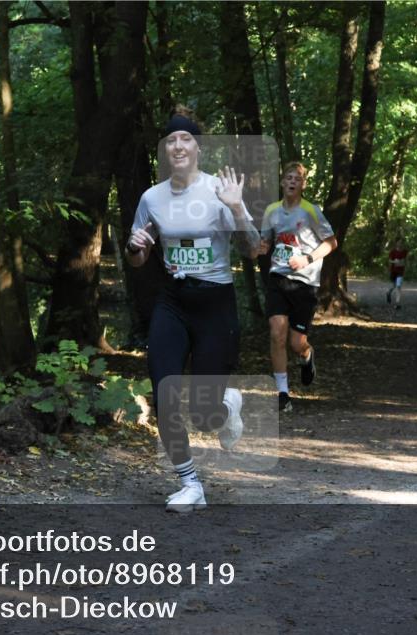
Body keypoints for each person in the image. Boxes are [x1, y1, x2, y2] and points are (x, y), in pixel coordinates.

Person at [126, 107, 260, 513]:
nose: (178, 146)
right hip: (173, 302)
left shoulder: (220, 189)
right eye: (171, 141)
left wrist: (237, 209)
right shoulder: (151, 197)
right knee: (163, 389)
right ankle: (190, 485)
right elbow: (136, 259)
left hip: (215, 305)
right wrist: (137, 248)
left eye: (185, 139)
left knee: (203, 414)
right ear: (165, 150)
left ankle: (226, 403)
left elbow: (254, 250)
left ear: (197, 147)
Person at [257, 162, 337, 412]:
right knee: (276, 332)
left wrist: (306, 259)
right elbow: (266, 241)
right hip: (278, 279)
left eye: (298, 178)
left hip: (304, 283)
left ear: (303, 185)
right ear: (282, 182)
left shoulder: (310, 211)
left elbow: (331, 243)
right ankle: (282, 393)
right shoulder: (271, 210)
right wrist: (260, 246)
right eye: (288, 177)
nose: (292, 182)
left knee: (295, 343)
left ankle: (307, 355)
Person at [386, 237, 409, 309]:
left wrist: (406, 265)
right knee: (393, 286)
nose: (400, 244)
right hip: (393, 271)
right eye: (399, 242)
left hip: (400, 271)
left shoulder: (405, 251)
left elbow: (407, 260)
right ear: (396, 243)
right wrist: (394, 261)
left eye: (401, 242)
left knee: (398, 286)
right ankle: (388, 293)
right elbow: (389, 261)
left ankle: (397, 303)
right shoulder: (393, 251)